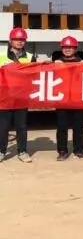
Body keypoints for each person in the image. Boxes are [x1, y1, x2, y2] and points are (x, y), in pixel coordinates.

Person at [0, 28, 36, 163]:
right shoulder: (1, 56)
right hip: (4, 97)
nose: (19, 42)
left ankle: (22, 151)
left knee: (21, 126)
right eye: (16, 39)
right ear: (10, 41)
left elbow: (35, 75)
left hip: (21, 97)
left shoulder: (30, 57)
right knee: (3, 127)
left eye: (22, 40)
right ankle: (1, 151)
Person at [54, 36, 83, 161]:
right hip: (62, 98)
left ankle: (79, 150)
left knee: (78, 126)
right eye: (65, 47)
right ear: (61, 48)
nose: (68, 49)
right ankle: (62, 151)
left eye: (70, 47)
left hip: (77, 98)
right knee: (61, 126)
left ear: (75, 49)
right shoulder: (56, 63)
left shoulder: (82, 63)